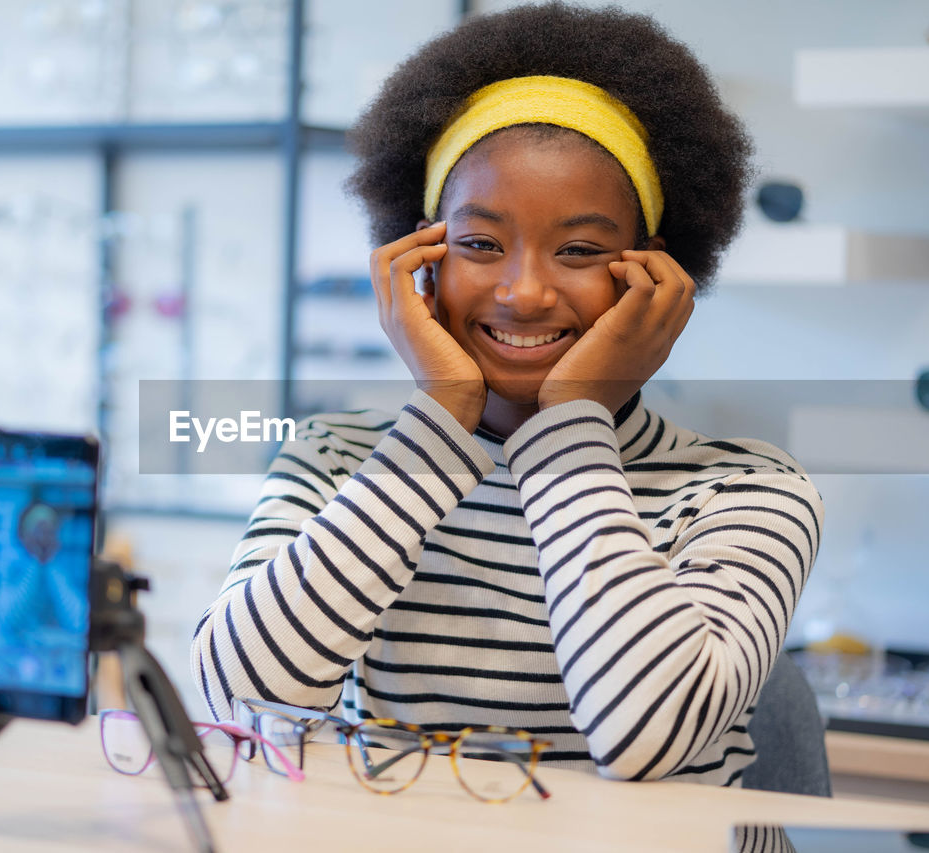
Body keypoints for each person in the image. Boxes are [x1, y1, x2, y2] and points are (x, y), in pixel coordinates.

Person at [191, 2, 823, 786]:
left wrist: (572, 425)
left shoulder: (746, 490)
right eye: (480, 244)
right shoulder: (337, 458)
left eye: (580, 249)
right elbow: (243, 694)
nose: (523, 293)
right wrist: (439, 421)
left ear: (653, 271)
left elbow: (648, 737)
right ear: (422, 256)